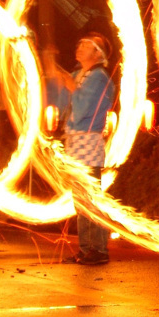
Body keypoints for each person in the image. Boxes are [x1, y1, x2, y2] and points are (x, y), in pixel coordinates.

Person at [45, 33, 117, 265]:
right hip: (74, 140)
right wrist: (53, 73)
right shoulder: (79, 75)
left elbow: (85, 105)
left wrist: (68, 82)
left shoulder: (99, 77)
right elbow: (63, 100)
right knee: (80, 198)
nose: (79, 47)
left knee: (90, 198)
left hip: (89, 140)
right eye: (80, 43)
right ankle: (86, 248)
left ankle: (99, 249)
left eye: (86, 45)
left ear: (98, 53)